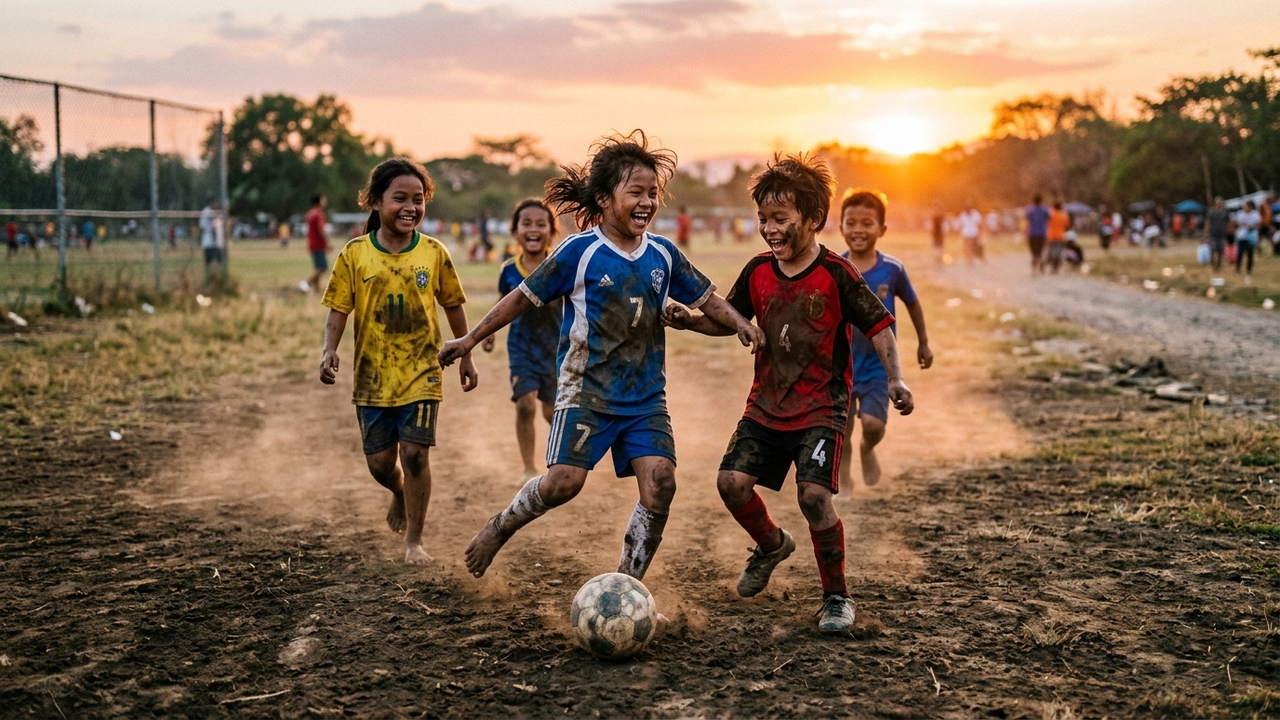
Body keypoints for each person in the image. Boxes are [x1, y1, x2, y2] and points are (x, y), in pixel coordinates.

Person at [438, 130, 763, 582]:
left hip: (646, 396)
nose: (647, 201)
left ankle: (626, 584)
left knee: (661, 484)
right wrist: (469, 339)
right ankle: (501, 526)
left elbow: (708, 298)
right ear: (605, 198)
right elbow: (521, 297)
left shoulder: (664, 253)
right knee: (563, 484)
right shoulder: (579, 251)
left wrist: (742, 324)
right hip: (586, 392)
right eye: (636, 192)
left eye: (653, 193)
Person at [665, 155, 913, 633]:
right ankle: (772, 544)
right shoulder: (758, 270)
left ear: (813, 219)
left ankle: (837, 598)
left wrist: (897, 379)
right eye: (763, 219)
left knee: (815, 496)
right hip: (766, 404)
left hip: (822, 406)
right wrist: (689, 320)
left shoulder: (838, 273)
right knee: (731, 484)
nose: (769, 229)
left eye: (780, 219)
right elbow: (729, 319)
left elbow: (880, 326)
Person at [319, 157, 478, 565]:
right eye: (400, 198)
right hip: (373, 377)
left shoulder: (434, 253)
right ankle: (397, 490)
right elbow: (339, 309)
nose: (411, 207)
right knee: (380, 464)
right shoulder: (355, 255)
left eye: (419, 199)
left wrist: (465, 353)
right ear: (374, 201)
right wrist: (329, 349)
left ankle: (414, 541)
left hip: (422, 371)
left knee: (414, 456)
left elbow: (453, 304)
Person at [833, 188, 931, 488]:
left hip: (880, 364)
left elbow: (912, 303)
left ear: (882, 229)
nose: (858, 230)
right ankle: (845, 478)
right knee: (843, 428)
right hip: (843, 363)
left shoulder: (892, 269)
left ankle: (868, 449)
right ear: (841, 227)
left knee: (873, 425)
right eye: (851, 223)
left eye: (867, 223)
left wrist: (923, 342)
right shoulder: (836, 268)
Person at [482, 199, 563, 479]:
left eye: (541, 224)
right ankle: (529, 468)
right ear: (515, 231)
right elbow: (502, 302)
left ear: (552, 231)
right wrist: (490, 331)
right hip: (522, 347)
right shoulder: (509, 270)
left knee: (552, 414)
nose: (533, 229)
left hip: (556, 349)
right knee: (525, 405)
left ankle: (559, 465)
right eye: (526, 224)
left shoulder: (560, 265)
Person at [304, 194, 330, 294]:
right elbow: (321, 229)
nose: (325, 202)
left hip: (312, 243)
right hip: (319, 244)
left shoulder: (310, 213)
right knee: (322, 267)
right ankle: (306, 283)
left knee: (317, 267)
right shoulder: (319, 214)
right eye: (323, 200)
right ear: (319, 202)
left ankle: (316, 290)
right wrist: (328, 242)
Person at [1234, 200, 1261, 284]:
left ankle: (1249, 271)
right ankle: (1237, 269)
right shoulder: (1240, 214)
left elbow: (1258, 224)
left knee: (1250, 255)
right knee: (1240, 254)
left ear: (1250, 207)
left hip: (1251, 236)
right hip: (1241, 236)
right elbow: (1236, 223)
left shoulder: (1255, 214)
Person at [1025, 194, 1050, 274]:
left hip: (1032, 233)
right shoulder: (1045, 209)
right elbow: (1048, 218)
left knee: (1033, 252)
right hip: (1042, 233)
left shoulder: (1030, 209)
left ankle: (1034, 268)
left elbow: (1027, 218)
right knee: (1041, 251)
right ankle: (1041, 264)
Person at [1044, 201, 1070, 273]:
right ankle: (1056, 268)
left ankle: (1051, 266)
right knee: (1058, 252)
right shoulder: (1064, 216)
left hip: (1051, 235)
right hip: (1060, 236)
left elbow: (1046, 222)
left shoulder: (1050, 214)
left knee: (1051, 251)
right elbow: (1067, 226)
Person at [1205, 197, 1230, 271]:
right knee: (1213, 252)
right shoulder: (1211, 213)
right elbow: (1208, 224)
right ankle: (1213, 266)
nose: (1219, 204)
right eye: (1217, 203)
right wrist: (1206, 235)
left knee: (1220, 253)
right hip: (1213, 235)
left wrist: (1229, 232)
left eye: (1220, 203)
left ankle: (1218, 267)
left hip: (1222, 236)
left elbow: (1228, 223)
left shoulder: (1225, 213)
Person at [200, 203, 224, 270]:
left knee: (220, 259)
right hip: (208, 242)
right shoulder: (206, 211)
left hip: (217, 242)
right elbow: (203, 225)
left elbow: (220, 226)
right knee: (209, 260)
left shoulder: (219, 213)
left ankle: (220, 272)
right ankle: (209, 273)